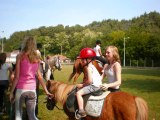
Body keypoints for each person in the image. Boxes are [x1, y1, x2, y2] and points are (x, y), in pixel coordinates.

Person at [9, 36, 52, 120]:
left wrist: (11, 92)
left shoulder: (20, 56)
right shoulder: (37, 58)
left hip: (21, 89)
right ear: (34, 45)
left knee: (18, 115)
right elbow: (39, 76)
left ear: (24, 44)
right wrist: (46, 91)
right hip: (32, 90)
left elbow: (17, 77)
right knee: (32, 116)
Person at [75, 48, 102, 119]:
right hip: (98, 85)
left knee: (78, 93)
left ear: (89, 59)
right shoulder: (92, 66)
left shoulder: (89, 68)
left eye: (83, 59)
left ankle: (81, 111)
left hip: (94, 86)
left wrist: (82, 85)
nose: (81, 61)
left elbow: (90, 81)